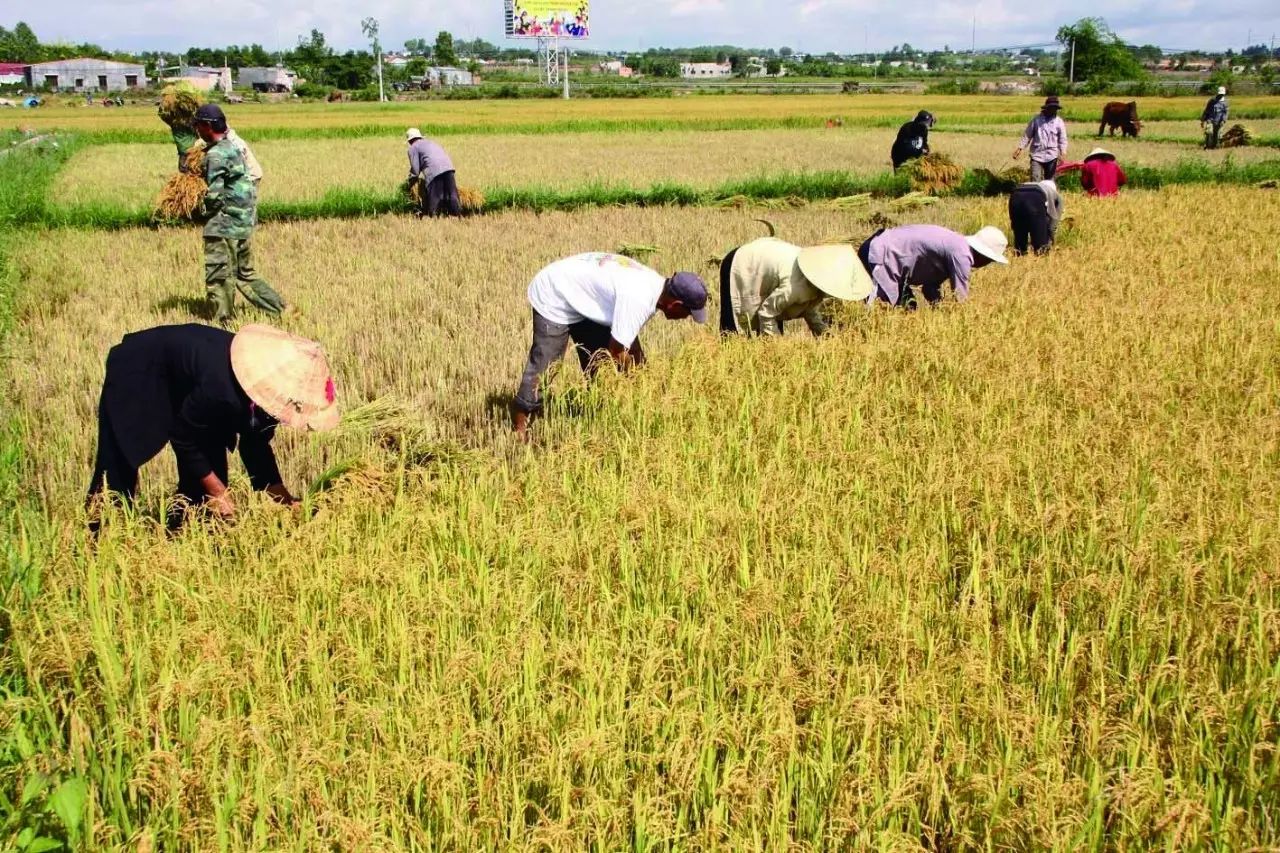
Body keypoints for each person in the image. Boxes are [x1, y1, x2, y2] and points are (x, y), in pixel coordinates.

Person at [85, 323, 339, 531]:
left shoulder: (270, 397)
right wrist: (218, 492)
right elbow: (182, 434)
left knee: (208, 470)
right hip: (142, 371)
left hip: (195, 384)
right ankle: (98, 535)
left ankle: (183, 529)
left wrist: (279, 495)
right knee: (118, 463)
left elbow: (255, 443)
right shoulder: (222, 390)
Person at [512, 253, 708, 439]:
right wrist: (638, 381)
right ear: (675, 304)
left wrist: (646, 378)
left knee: (598, 360)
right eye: (688, 313)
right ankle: (520, 429)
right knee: (546, 364)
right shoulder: (640, 299)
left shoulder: (654, 286)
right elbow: (617, 352)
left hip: (586, 297)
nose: (686, 318)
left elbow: (629, 342)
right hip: (554, 294)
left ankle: (597, 414)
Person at [194, 104, 285, 324]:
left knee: (219, 275)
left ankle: (221, 322)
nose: (196, 129)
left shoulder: (215, 155)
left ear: (207, 126)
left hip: (224, 224)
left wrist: (196, 212)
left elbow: (213, 196)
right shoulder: (233, 147)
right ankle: (282, 310)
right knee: (245, 274)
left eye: (198, 125)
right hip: (242, 223)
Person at [719, 238, 872, 336]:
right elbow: (766, 313)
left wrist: (825, 335)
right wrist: (778, 348)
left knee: (770, 329)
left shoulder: (814, 278)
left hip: (770, 263)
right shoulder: (795, 287)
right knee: (732, 331)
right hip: (741, 263)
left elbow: (809, 309)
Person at [858, 224, 1008, 308]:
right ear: (984, 256)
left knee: (909, 306)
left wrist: (939, 309)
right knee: (883, 309)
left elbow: (929, 288)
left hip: (883, 250)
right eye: (990, 261)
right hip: (880, 254)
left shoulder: (955, 246)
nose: (986, 265)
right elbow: (961, 299)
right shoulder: (962, 255)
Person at [405, 128, 462, 217]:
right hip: (449, 168)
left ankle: (434, 218)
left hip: (433, 171)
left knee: (435, 197)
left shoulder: (413, 148)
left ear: (410, 140)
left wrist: (409, 183)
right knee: (452, 195)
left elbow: (415, 171)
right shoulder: (431, 142)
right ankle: (458, 216)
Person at [1013, 96, 1069, 181]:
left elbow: (1062, 139)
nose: (1054, 110)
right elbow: (1027, 135)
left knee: (1049, 181)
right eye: (1052, 108)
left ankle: (1048, 194)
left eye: (1055, 108)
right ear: (1047, 108)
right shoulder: (1036, 120)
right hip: (1037, 154)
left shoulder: (1059, 122)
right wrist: (1020, 148)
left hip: (1052, 155)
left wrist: (1063, 152)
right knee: (1035, 178)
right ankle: (1036, 194)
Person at [1007, 180, 1063, 256]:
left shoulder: (1039, 186)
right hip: (1035, 196)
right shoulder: (1055, 195)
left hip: (1015, 195)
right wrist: (1051, 239)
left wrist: (1015, 223)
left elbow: (1013, 217)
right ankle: (1041, 259)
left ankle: (1020, 254)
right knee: (1041, 246)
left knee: (1020, 237)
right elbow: (1052, 223)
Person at [1057, 147, 1127, 197]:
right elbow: (1122, 181)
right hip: (1113, 197)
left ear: (1092, 157)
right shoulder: (1114, 165)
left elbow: (1085, 184)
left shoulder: (1088, 165)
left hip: (1094, 196)